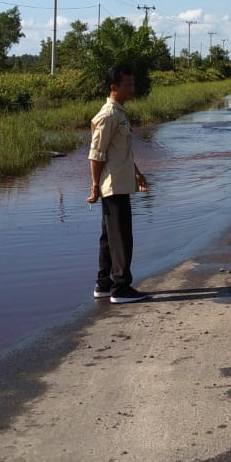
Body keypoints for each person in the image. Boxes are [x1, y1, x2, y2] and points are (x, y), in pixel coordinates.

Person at [87, 64, 150, 303]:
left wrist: (136, 172)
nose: (132, 88)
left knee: (109, 237)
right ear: (114, 87)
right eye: (128, 85)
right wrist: (94, 185)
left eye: (133, 84)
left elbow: (120, 151)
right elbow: (96, 154)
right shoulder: (108, 115)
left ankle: (104, 284)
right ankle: (120, 288)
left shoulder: (120, 113)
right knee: (121, 237)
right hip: (113, 187)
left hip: (121, 182)